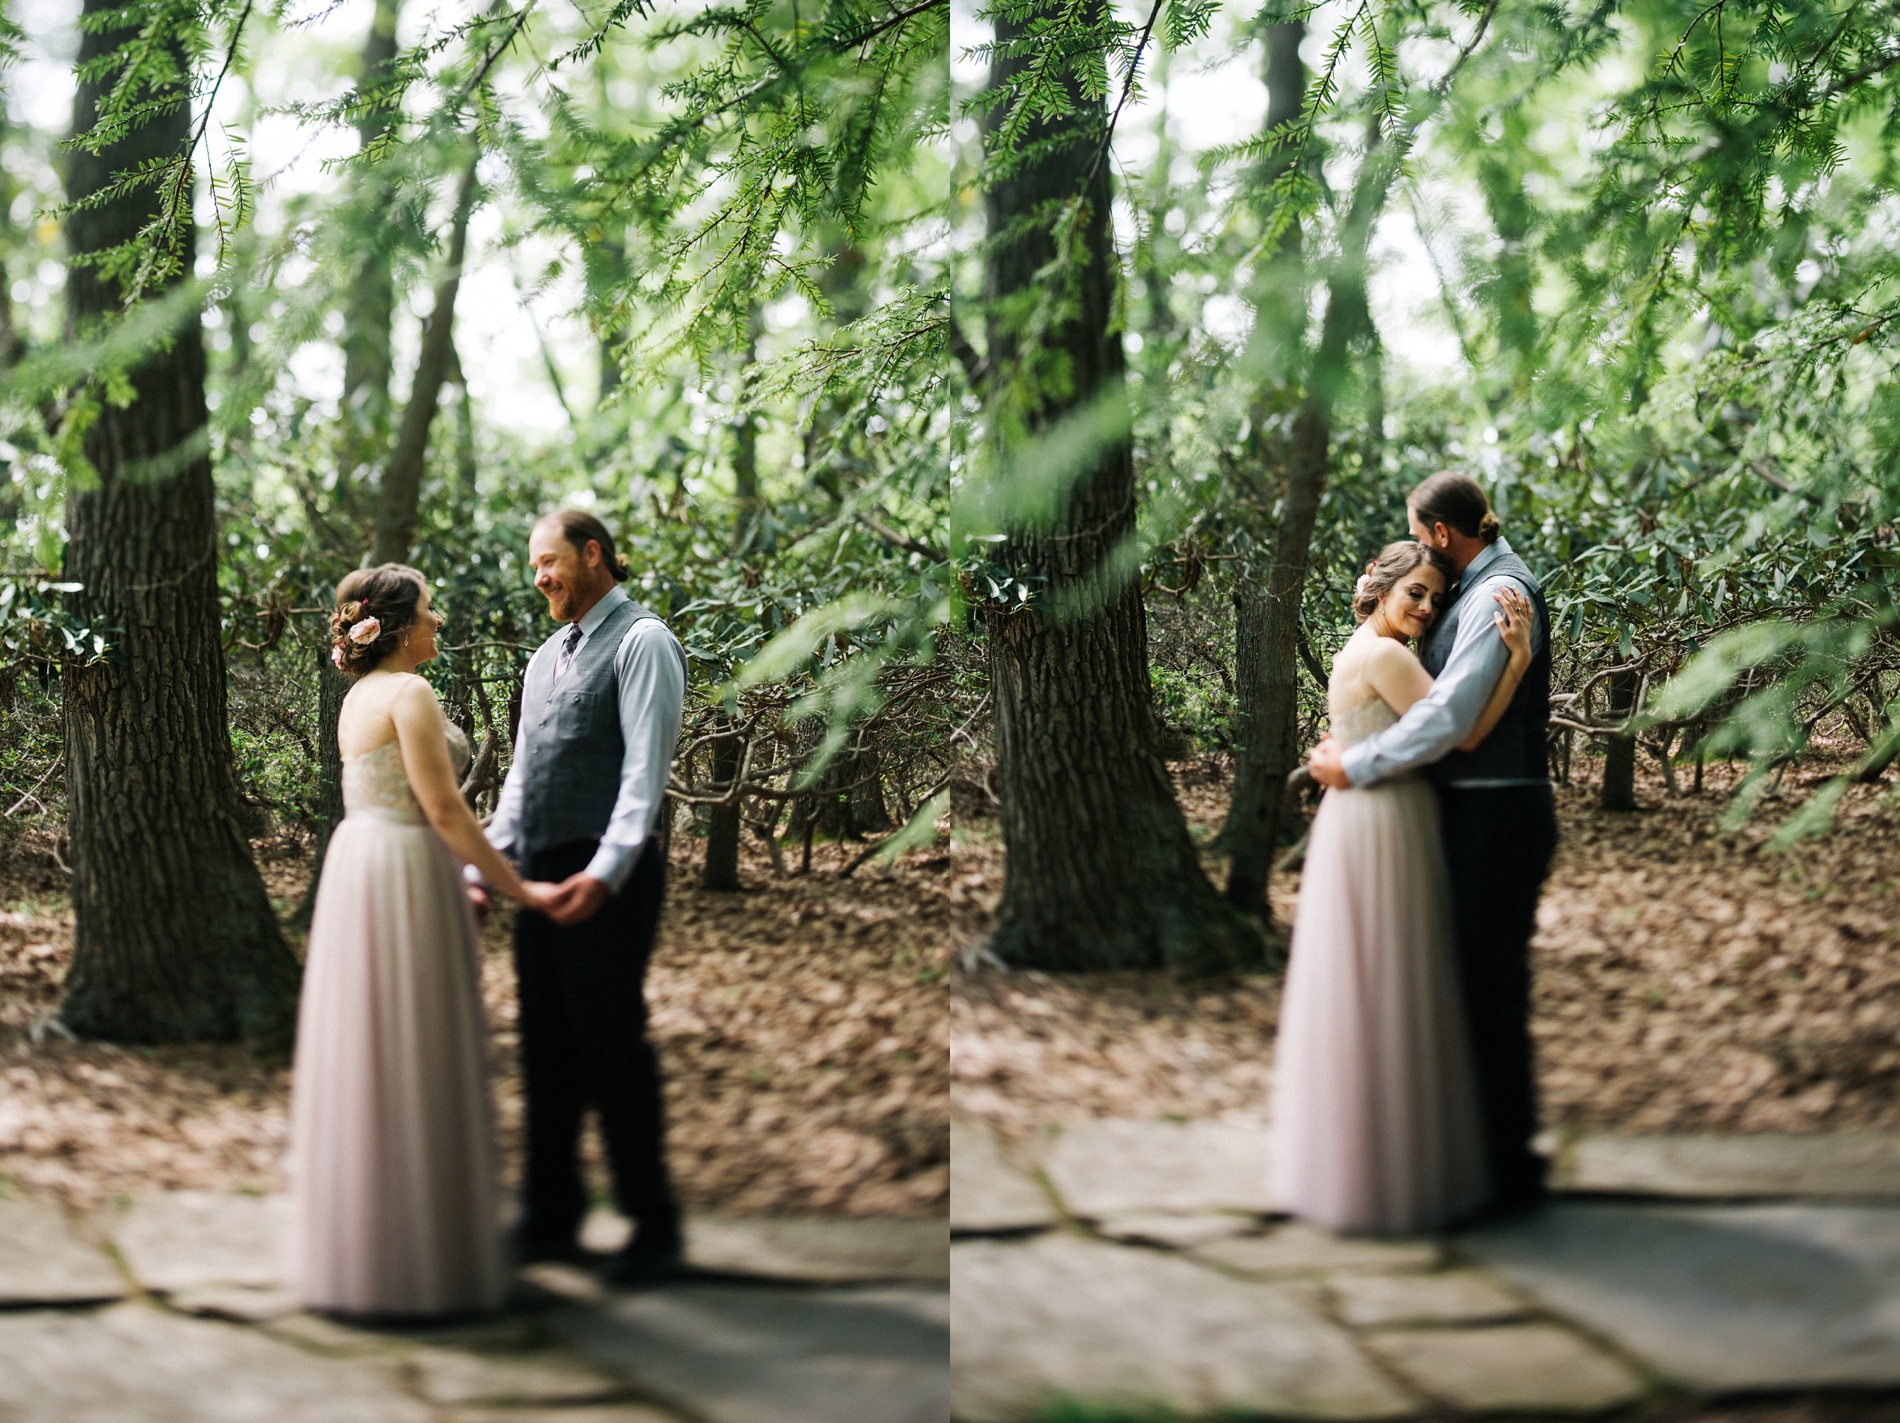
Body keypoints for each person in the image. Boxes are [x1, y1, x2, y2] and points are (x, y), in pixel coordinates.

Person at [291, 564, 559, 1317]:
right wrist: (519, 886)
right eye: (433, 612)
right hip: (405, 862)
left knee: (374, 1050)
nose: (440, 623)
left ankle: (374, 1252)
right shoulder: (409, 693)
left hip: (359, 865)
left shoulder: (357, 698)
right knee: (417, 1044)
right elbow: (442, 809)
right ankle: (425, 1258)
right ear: (400, 627)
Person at [1309, 472, 1557, 1219]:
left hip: (1494, 811)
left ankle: (1504, 1172)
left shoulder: (1493, 596)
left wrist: (1357, 762)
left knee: (1486, 994)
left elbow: (1451, 718)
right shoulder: (1468, 596)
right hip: (1452, 811)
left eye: (1420, 538)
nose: (1421, 564)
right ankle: (1464, 1155)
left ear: (1440, 533)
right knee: (1458, 991)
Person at [468, 509, 689, 1287]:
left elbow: (644, 777)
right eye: (534, 566)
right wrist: (485, 868)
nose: (540, 579)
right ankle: (550, 1213)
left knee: (611, 1045)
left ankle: (653, 1225)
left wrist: (605, 871)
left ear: (593, 554)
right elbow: (522, 779)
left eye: (549, 562)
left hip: (609, 876)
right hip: (538, 874)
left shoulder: (643, 642)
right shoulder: (541, 661)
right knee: (545, 1046)